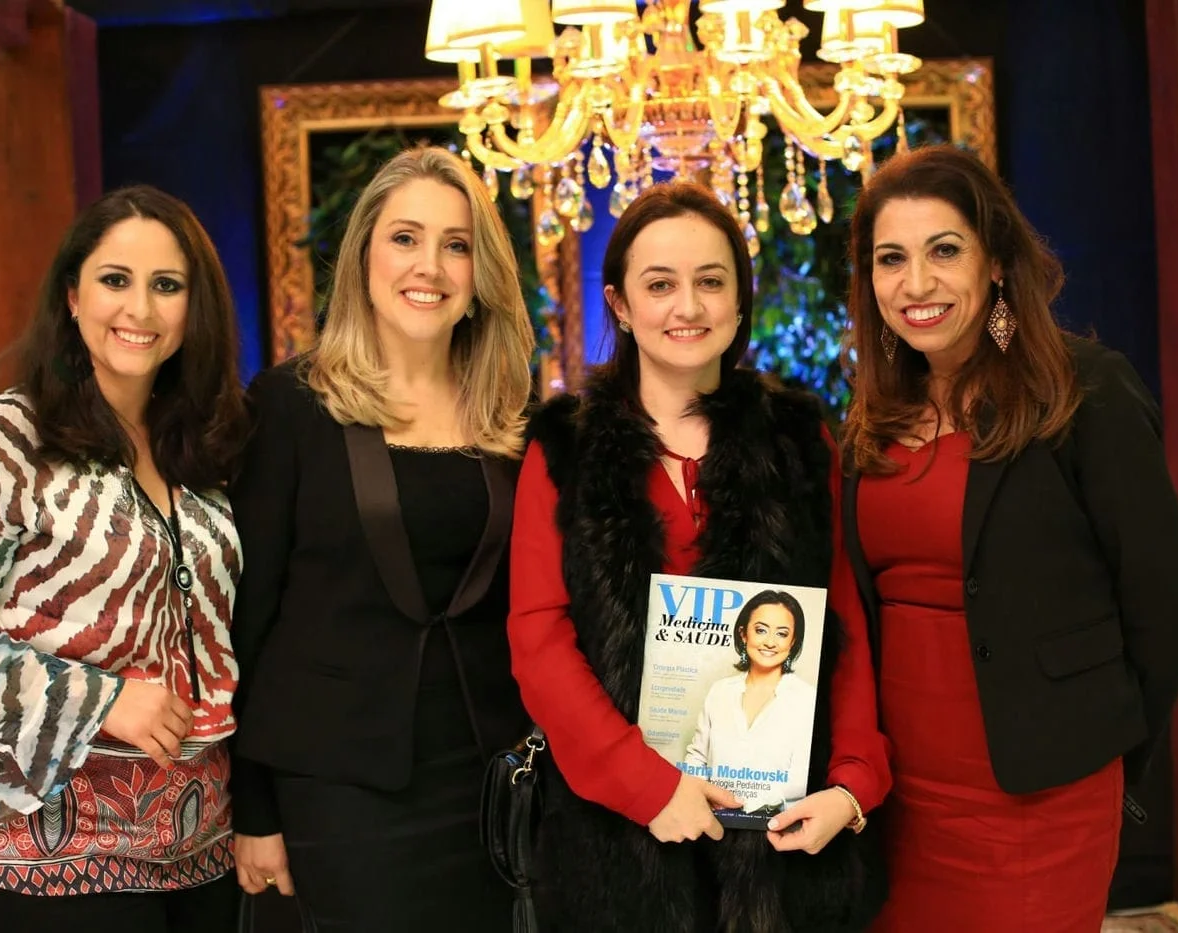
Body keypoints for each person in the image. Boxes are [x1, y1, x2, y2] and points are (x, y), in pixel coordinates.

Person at [836, 144, 1178, 933]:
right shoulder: (872, 417)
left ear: (997, 262)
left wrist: (1101, 748)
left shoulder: (1083, 390)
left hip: (1041, 798)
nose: (916, 283)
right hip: (898, 801)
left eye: (944, 251)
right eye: (891, 259)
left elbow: (1167, 596)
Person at [508, 182, 891, 933]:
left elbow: (839, 622)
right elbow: (537, 638)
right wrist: (646, 786)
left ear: (740, 302)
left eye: (710, 281)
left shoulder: (800, 440)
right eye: (660, 284)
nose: (688, 306)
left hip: (786, 835)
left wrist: (851, 783)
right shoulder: (564, 447)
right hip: (622, 841)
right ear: (619, 304)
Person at [0, 185, 250, 932]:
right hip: (25, 842)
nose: (140, 309)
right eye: (115, 279)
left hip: (195, 839)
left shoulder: (206, 449)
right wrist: (102, 699)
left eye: (167, 285)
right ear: (73, 296)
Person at [228, 146, 536, 931]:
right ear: (365, 253)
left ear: (480, 276)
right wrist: (252, 806)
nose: (429, 265)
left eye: (455, 244)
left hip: (486, 779)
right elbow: (247, 617)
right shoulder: (290, 406)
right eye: (405, 237)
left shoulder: (513, 422)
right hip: (338, 786)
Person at [684, 590, 819, 815]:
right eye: (761, 630)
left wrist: (747, 802)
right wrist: (700, 795)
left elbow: (803, 774)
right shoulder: (719, 691)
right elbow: (697, 757)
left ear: (793, 641)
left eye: (782, 634)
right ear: (743, 634)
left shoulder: (807, 698)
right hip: (712, 818)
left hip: (776, 823)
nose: (770, 642)